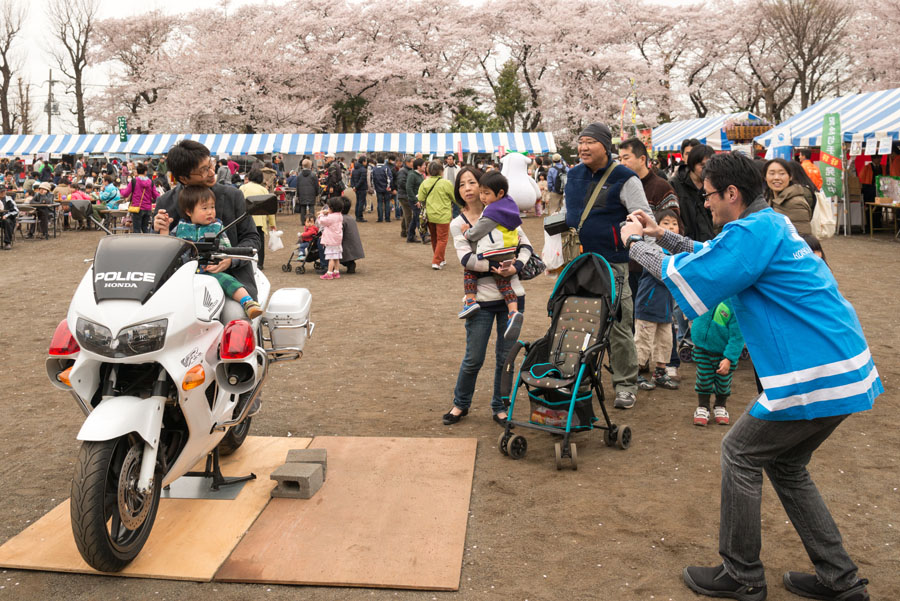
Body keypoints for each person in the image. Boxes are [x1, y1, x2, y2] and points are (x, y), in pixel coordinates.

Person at [623, 151, 879, 601]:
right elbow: (716, 256)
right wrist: (662, 233)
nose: (704, 204)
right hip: (842, 363)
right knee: (785, 464)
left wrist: (634, 243)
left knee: (739, 453)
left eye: (708, 196)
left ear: (732, 194)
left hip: (813, 371)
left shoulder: (752, 230)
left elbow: (687, 274)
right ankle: (840, 580)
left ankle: (742, 575)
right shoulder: (770, 222)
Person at [564, 122, 653, 410]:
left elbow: (643, 217)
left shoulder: (625, 178)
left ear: (605, 146)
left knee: (619, 325)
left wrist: (644, 252)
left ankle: (626, 384)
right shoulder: (573, 175)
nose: (583, 147)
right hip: (579, 262)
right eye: (581, 142)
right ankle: (579, 379)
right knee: (578, 321)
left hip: (613, 263)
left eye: (590, 141)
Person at [445, 165, 534, 426]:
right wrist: (494, 266)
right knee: (474, 357)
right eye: (462, 185)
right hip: (481, 300)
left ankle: (500, 406)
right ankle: (460, 403)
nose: (468, 189)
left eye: (472, 182)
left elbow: (525, 245)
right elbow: (465, 258)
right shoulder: (457, 224)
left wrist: (516, 266)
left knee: (505, 357)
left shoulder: (502, 211)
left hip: (512, 295)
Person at [153, 140, 261, 325]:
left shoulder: (233, 196)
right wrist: (156, 231)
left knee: (235, 317)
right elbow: (157, 251)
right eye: (203, 170)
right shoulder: (166, 203)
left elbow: (252, 239)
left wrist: (230, 258)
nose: (212, 172)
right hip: (180, 285)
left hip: (230, 281)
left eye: (210, 164)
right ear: (184, 178)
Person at [161, 185, 262, 319]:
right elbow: (168, 246)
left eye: (212, 207)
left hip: (210, 271)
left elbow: (226, 248)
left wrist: (226, 259)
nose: (210, 212)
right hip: (185, 274)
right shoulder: (180, 227)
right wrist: (164, 229)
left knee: (228, 281)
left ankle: (248, 302)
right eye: (204, 208)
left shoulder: (217, 227)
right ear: (189, 211)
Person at [459, 171, 524, 341]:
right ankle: (513, 311)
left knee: (469, 271)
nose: (482, 197)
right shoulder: (508, 206)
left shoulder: (493, 212)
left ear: (500, 193)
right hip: (508, 252)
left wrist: (466, 233)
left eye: (486, 193)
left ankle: (471, 301)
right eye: (481, 192)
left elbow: (476, 233)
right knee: (504, 283)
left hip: (494, 253)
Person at [634, 209, 680, 392]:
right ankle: (634, 374)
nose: (671, 227)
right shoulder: (653, 248)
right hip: (648, 305)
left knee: (665, 341)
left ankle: (660, 373)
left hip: (666, 308)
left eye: (674, 223)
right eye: (666, 223)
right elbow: (663, 273)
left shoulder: (676, 250)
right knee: (643, 341)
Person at [671, 144, 717, 242]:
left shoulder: (715, 184)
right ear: (692, 164)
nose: (706, 169)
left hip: (711, 241)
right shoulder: (675, 185)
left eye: (709, 165)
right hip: (686, 243)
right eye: (702, 165)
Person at [418, 160, 455, 270]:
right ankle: (437, 261)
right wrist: (463, 206)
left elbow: (420, 198)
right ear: (441, 171)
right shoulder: (446, 183)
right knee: (442, 239)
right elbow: (454, 197)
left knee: (434, 238)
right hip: (443, 215)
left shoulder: (425, 182)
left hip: (430, 215)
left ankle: (440, 259)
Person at [239, 168, 276, 270]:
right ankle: (260, 263)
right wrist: (273, 224)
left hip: (245, 220)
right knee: (260, 243)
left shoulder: (243, 188)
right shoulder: (263, 190)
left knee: (245, 240)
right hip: (259, 221)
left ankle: (246, 260)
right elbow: (270, 209)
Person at [763, 158, 814, 235]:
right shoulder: (769, 198)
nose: (776, 177)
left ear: (790, 177)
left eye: (782, 173)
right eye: (772, 173)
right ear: (765, 177)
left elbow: (802, 236)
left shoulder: (796, 203)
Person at [119, 162, 159, 233]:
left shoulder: (134, 181)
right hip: (147, 208)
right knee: (145, 229)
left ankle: (137, 243)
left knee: (136, 229)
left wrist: (121, 189)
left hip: (137, 208)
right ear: (145, 172)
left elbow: (125, 194)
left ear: (137, 171)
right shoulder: (151, 182)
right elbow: (156, 196)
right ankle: (147, 243)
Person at [317, 196, 344, 280]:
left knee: (331, 257)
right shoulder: (339, 215)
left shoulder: (331, 217)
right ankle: (336, 271)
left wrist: (321, 214)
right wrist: (327, 213)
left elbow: (321, 221)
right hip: (337, 239)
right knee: (336, 256)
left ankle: (329, 273)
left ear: (332, 208)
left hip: (331, 240)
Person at [339, 197, 365, 274]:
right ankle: (350, 264)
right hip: (353, 246)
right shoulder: (350, 218)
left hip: (346, 247)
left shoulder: (341, 219)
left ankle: (348, 264)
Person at [405, 157, 426, 243]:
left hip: (419, 200)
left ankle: (410, 236)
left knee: (415, 219)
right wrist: (415, 201)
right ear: (418, 167)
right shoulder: (412, 175)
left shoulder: (420, 175)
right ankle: (424, 236)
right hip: (414, 200)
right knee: (419, 218)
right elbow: (408, 189)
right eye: (424, 165)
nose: (425, 167)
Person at [294, 159, 318, 223]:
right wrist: (316, 193)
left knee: (303, 207)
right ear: (310, 166)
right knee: (311, 207)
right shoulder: (313, 175)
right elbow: (316, 185)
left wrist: (298, 194)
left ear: (302, 166)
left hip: (302, 193)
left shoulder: (299, 175)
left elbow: (297, 186)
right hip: (311, 193)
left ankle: (303, 221)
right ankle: (312, 220)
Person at [371, 154, 393, 223]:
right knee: (387, 203)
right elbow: (390, 178)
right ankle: (387, 218)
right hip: (386, 188)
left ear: (377, 161)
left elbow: (372, 180)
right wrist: (388, 187)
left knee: (379, 203)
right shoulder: (386, 168)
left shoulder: (374, 169)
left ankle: (380, 218)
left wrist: (374, 188)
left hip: (378, 188)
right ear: (383, 161)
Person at [396, 156, 412, 238]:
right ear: (407, 163)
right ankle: (409, 232)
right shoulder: (403, 171)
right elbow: (402, 183)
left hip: (405, 195)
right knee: (408, 214)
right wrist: (410, 188)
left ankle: (404, 231)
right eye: (412, 162)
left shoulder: (408, 170)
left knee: (406, 214)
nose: (413, 163)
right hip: (404, 195)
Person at [350, 156, 368, 222]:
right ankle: (360, 217)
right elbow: (362, 180)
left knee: (358, 202)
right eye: (366, 161)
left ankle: (357, 216)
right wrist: (356, 187)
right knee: (361, 202)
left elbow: (352, 179)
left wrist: (353, 187)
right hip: (362, 188)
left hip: (356, 189)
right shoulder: (363, 170)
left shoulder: (354, 169)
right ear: (363, 161)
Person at [1, 185, 18, 249]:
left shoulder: (9, 200)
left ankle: (7, 242)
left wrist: (6, 215)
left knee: (7, 222)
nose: (2, 193)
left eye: (3, 191)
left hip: (8, 218)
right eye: (1, 192)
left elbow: (16, 211)